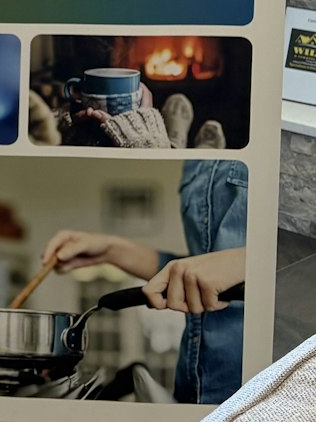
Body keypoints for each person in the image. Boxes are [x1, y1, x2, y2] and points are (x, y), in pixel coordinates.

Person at [40, 157, 247, 404]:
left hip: (253, 397)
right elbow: (201, 272)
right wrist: (110, 250)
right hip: (195, 391)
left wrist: (246, 261)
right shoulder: (197, 161)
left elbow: (300, 264)